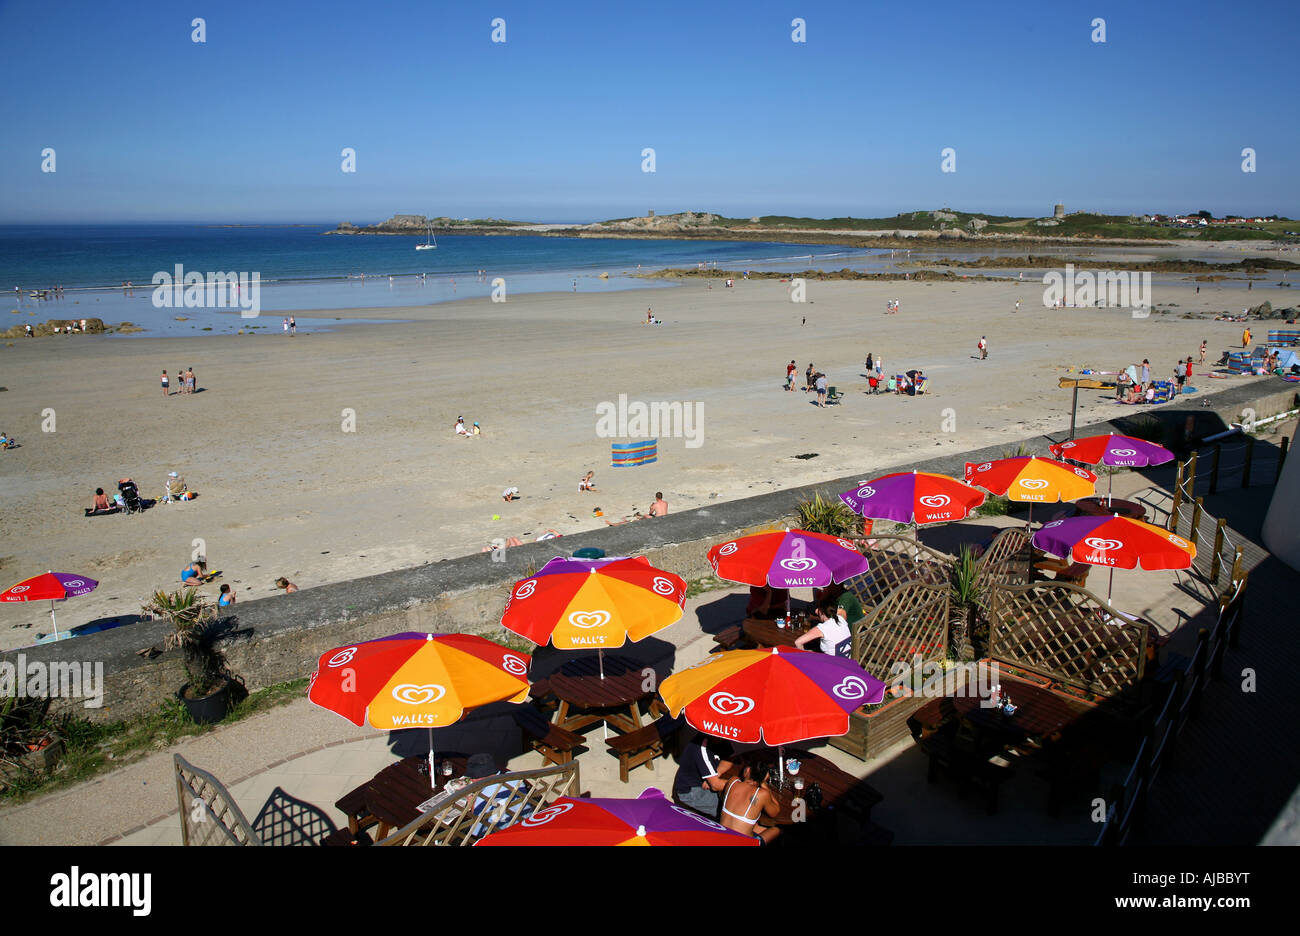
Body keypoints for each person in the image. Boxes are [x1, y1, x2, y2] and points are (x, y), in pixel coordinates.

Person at [718, 755, 781, 843]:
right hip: (742, 843)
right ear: (765, 777)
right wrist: (764, 784)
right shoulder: (762, 794)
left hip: (722, 836)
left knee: (756, 825)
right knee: (776, 830)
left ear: (747, 770)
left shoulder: (732, 781)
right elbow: (775, 812)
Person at [673, 734, 736, 819]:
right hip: (690, 790)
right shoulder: (701, 748)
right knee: (732, 811)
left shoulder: (722, 738)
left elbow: (730, 759)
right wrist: (741, 786)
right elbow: (715, 785)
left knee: (736, 801)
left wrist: (716, 773)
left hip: (706, 784)